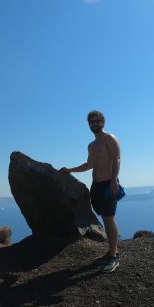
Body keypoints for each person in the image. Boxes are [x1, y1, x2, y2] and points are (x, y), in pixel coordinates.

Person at [60, 110, 123, 273]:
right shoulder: (92, 145)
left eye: (97, 121)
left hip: (109, 185)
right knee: (105, 218)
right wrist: (70, 170)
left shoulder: (110, 138)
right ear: (89, 124)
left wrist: (114, 179)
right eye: (91, 122)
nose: (94, 124)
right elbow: (89, 165)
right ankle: (110, 252)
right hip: (96, 186)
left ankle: (113, 257)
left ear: (103, 122)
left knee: (109, 220)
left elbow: (116, 158)